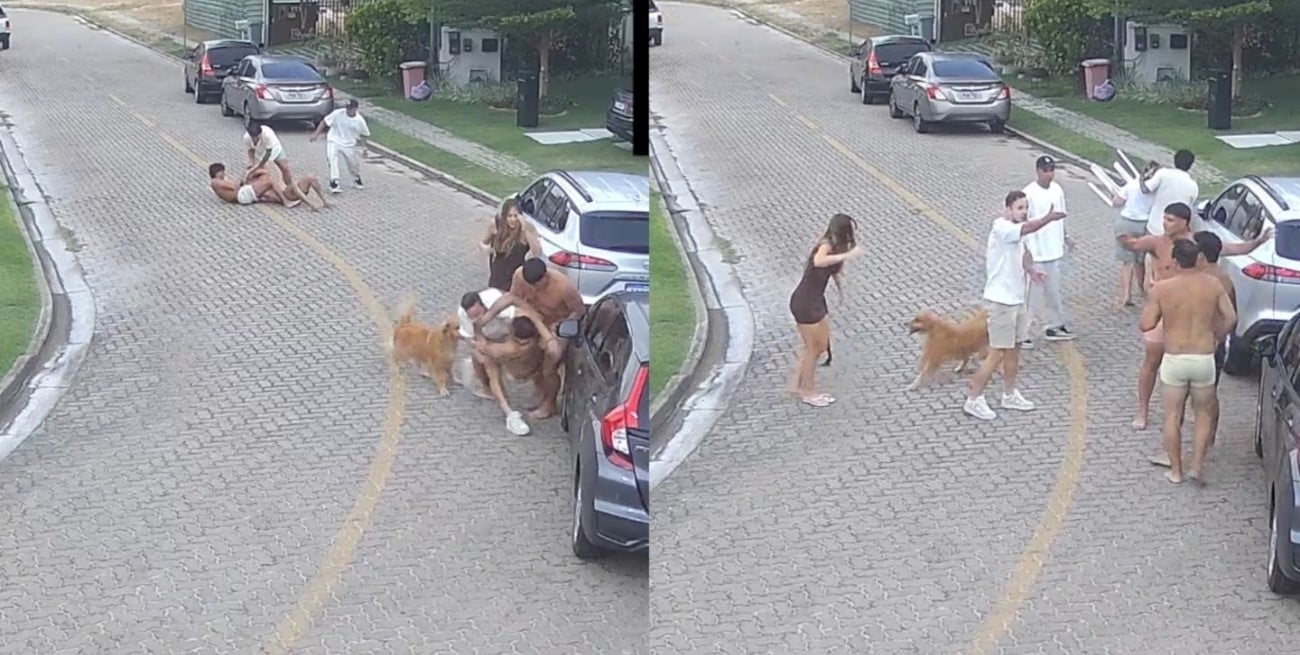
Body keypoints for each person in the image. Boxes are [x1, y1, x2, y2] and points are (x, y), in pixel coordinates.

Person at [1119, 203, 1270, 430]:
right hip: (1162, 309)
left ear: (1185, 222)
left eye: (1171, 220)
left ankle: (1182, 411)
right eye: (1164, 218)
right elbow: (1132, 244)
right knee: (1151, 362)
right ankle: (1143, 411)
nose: (1165, 223)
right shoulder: (1157, 242)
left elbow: (1231, 249)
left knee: (1184, 369)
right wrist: (1122, 232)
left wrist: (1257, 242)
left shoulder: (1198, 244)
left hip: (1185, 313)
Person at [1139, 239, 1236, 484]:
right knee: (1203, 413)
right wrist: (1217, 336)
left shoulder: (1163, 288)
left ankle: (1176, 470)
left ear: (1174, 260)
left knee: (1172, 415)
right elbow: (1231, 317)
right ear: (1198, 259)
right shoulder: (1213, 284)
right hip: (1203, 357)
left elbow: (1146, 324)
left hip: (1175, 358)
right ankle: (1197, 465)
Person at [964, 190, 1064, 420]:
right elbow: (1026, 230)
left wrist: (1031, 269)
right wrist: (1048, 219)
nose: (1024, 212)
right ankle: (974, 398)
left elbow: (1024, 252)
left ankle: (1009, 394)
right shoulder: (1002, 228)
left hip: (1018, 299)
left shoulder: (1018, 231)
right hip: (1001, 302)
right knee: (997, 352)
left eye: (1025, 207)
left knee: (1015, 349)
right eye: (1020, 208)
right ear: (1007, 208)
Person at [787, 213, 863, 408]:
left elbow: (828, 270)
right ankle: (808, 391)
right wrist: (847, 255)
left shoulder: (833, 246)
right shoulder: (826, 245)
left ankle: (796, 384)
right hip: (805, 302)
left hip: (815, 301)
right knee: (813, 348)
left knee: (820, 345)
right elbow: (819, 262)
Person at [476, 257, 583, 370]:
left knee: (553, 355)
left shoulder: (564, 287)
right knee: (507, 334)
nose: (534, 288)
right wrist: (488, 315)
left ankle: (548, 374)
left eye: (538, 285)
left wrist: (560, 326)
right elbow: (512, 297)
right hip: (531, 313)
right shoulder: (519, 275)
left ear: (546, 276)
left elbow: (579, 311)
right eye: (531, 285)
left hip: (556, 322)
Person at [472, 315, 563, 434]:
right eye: (519, 343)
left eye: (526, 343)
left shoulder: (542, 341)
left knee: (550, 363)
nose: (523, 348)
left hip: (534, 367)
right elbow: (479, 346)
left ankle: (547, 400)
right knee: (488, 363)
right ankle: (509, 413)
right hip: (507, 363)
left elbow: (515, 300)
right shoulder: (502, 348)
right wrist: (479, 337)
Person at [1021, 155, 1075, 344]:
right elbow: (1025, 223)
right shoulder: (1028, 193)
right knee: (1032, 296)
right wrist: (1028, 252)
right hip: (1036, 252)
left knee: (1053, 291)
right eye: (1045, 171)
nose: (1049, 174)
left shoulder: (1057, 190)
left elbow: (1060, 216)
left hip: (1053, 250)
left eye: (1052, 170)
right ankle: (1022, 332)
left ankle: (1054, 325)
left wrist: (1066, 237)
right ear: (1038, 171)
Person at [1110, 160, 1159, 306]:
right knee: (1140, 261)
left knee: (1127, 262)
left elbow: (1116, 202)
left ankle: (1126, 295)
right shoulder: (1155, 190)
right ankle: (1142, 289)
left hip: (1126, 223)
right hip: (1145, 225)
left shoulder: (1131, 185)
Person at [456, 288, 517, 394]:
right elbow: (469, 336)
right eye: (472, 316)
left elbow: (513, 322)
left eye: (478, 313)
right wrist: (479, 347)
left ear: (482, 305)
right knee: (479, 357)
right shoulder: (462, 314)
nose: (477, 318)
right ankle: (487, 387)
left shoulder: (496, 300)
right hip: (484, 335)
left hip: (504, 330)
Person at [480, 198, 543, 292]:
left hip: (515, 278)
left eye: (515, 216)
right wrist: (487, 250)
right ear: (505, 216)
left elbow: (537, 252)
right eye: (509, 216)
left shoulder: (525, 230)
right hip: (497, 277)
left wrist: (525, 229)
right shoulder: (496, 226)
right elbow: (482, 243)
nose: (513, 219)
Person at [309, 98, 371, 193]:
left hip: (349, 144)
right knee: (332, 158)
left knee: (352, 163)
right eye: (347, 108)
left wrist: (364, 148)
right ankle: (334, 182)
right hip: (334, 140)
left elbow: (364, 134)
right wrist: (316, 134)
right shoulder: (338, 113)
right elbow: (324, 122)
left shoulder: (359, 120)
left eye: (351, 108)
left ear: (355, 109)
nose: (348, 110)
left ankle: (356, 178)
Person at [245, 121, 310, 207]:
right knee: (268, 174)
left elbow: (268, 155)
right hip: (260, 154)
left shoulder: (267, 135)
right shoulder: (246, 138)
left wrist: (255, 168)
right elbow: (250, 150)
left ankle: (291, 188)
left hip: (275, 150)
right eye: (253, 138)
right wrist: (251, 162)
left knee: (285, 168)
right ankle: (275, 191)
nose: (255, 140)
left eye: (257, 137)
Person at [1141, 149, 1200, 235]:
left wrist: (1142, 177)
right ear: (1191, 165)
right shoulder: (1193, 186)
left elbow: (1145, 189)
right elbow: (1189, 209)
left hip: (1155, 227)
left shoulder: (1163, 173)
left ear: (1174, 160)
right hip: (1175, 232)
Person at [208, 163, 297, 207]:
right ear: (217, 172)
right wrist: (243, 180)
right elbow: (233, 187)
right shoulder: (215, 182)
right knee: (269, 182)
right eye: (222, 173)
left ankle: (291, 196)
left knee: (268, 191)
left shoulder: (218, 182)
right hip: (241, 195)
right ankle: (286, 201)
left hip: (242, 194)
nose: (224, 174)